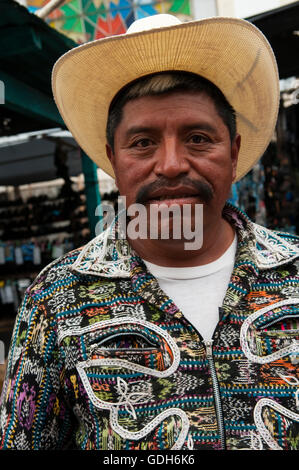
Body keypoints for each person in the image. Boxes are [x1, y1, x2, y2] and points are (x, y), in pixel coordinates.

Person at [0, 14, 298, 451]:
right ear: (114, 161)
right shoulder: (57, 300)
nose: (173, 164)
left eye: (198, 138)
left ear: (233, 154)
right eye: (142, 142)